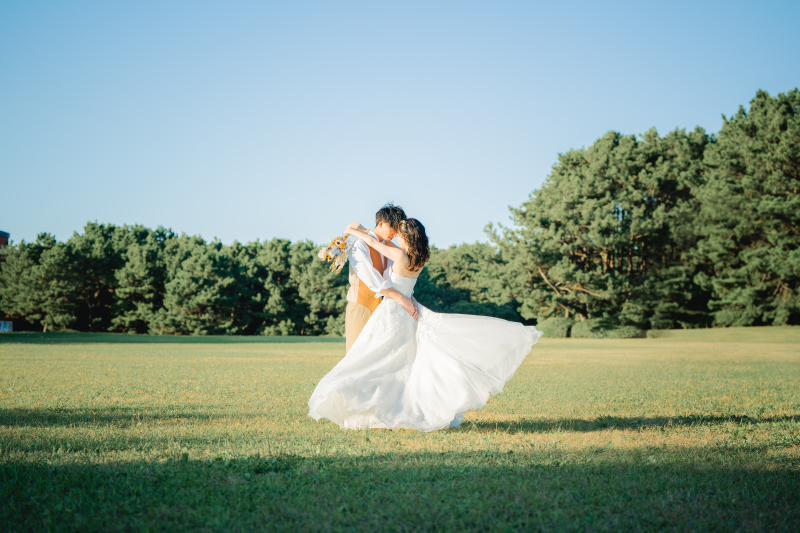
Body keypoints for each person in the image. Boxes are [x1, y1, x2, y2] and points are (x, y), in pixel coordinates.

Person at [308, 217, 543, 432]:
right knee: (402, 362)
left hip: (391, 311)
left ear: (407, 237)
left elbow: (372, 242)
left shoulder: (398, 255)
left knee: (376, 357)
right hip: (409, 313)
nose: (396, 237)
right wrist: (366, 232)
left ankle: (368, 401)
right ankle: (398, 405)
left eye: (400, 234)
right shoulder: (420, 257)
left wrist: (355, 231)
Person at [344, 203, 418, 353]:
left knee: (378, 357)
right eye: (393, 228)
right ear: (381, 223)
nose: (396, 234)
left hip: (384, 308)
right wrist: (402, 299)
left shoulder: (387, 248)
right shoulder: (360, 246)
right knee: (356, 355)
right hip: (361, 306)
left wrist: (410, 297)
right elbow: (372, 279)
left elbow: (397, 276)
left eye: (398, 231)